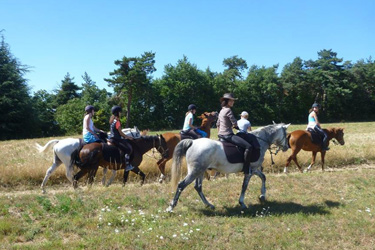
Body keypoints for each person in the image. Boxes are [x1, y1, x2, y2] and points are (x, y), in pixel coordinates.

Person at [217, 93, 253, 174]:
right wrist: (235, 126)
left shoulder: (221, 110)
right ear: (227, 101)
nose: (233, 102)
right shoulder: (228, 110)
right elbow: (234, 123)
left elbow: (218, 124)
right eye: (232, 101)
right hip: (228, 135)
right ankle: (246, 168)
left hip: (220, 134)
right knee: (248, 146)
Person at [108, 106, 134, 171]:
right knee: (128, 149)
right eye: (120, 112)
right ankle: (127, 165)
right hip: (116, 139)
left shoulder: (112, 120)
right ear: (117, 113)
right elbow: (120, 132)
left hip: (112, 138)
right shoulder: (117, 121)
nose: (121, 113)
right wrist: (128, 137)